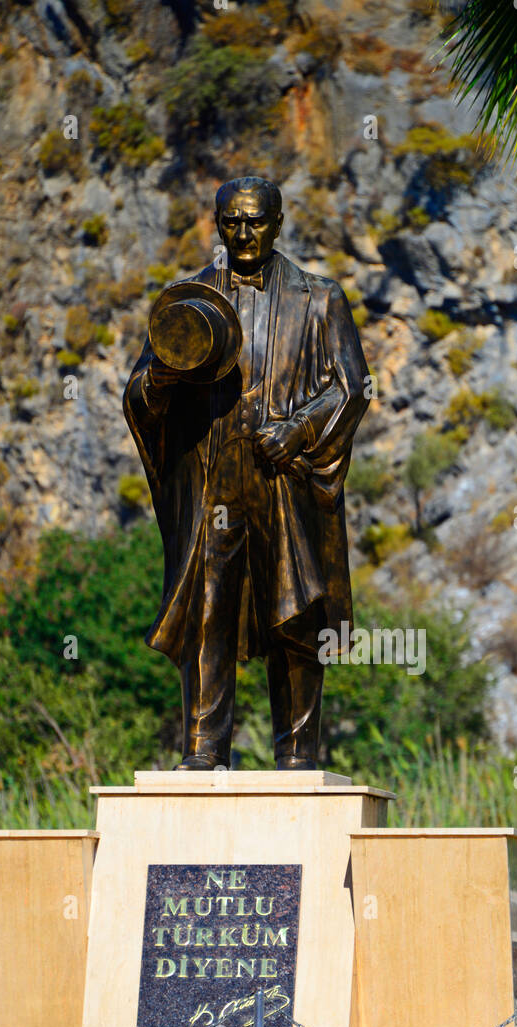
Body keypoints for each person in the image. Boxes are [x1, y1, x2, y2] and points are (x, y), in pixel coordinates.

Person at [123, 176, 369, 770]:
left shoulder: (319, 298)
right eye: (232, 220)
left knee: (296, 611)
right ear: (216, 225)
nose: (244, 231)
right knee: (209, 610)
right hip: (213, 478)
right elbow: (138, 392)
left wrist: (300, 430)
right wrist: (162, 379)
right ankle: (204, 751)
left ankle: (298, 755)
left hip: (284, 477)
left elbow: (353, 386)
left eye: (256, 220)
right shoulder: (191, 302)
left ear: (279, 223)